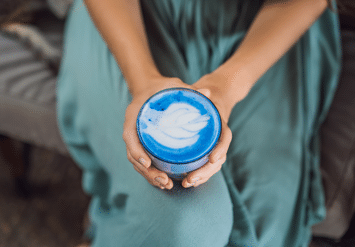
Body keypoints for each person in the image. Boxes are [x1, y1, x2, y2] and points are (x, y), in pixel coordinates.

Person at [56, 0, 341, 246]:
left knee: (263, 234)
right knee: (187, 227)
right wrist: (141, 81)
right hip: (127, 20)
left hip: (267, 30)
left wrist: (229, 86)